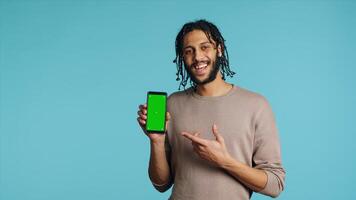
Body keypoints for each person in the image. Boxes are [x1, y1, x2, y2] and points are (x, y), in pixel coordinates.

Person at [137, 19, 285, 200]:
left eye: (205, 47)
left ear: (219, 49)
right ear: (183, 57)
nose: (197, 57)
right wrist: (156, 142)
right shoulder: (172, 104)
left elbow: (275, 185)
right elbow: (160, 184)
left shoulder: (256, 105)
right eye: (189, 51)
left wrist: (224, 161)